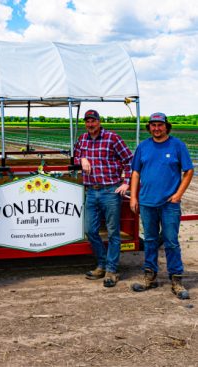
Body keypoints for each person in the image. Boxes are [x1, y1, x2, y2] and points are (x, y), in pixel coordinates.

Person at [130, 112, 194, 299]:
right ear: (149, 127)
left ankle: (176, 279)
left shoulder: (177, 145)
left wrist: (178, 194)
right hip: (147, 202)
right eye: (153, 125)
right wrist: (134, 197)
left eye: (160, 125)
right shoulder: (143, 147)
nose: (156, 128)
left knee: (171, 241)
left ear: (166, 126)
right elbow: (135, 173)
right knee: (149, 240)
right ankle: (150, 276)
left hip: (169, 204)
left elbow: (189, 171)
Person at [74, 109, 133, 287]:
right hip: (91, 191)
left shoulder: (112, 138)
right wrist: (81, 158)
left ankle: (111, 270)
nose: (90, 124)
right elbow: (75, 154)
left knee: (113, 232)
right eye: (87, 121)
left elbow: (129, 160)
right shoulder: (83, 139)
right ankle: (101, 263)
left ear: (99, 122)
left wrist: (126, 183)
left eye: (93, 121)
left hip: (110, 191)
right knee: (90, 230)